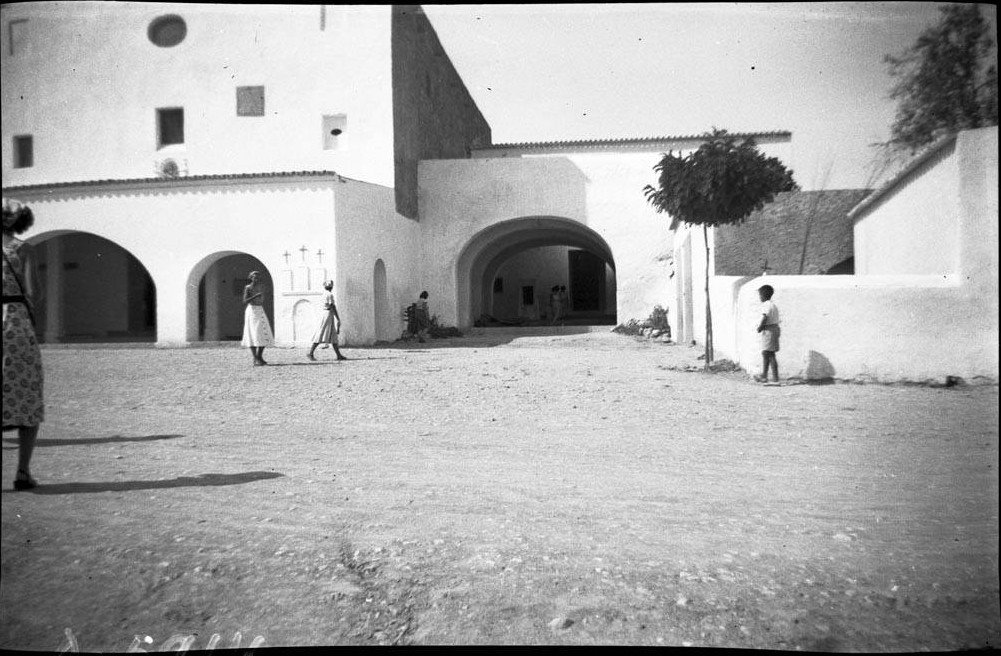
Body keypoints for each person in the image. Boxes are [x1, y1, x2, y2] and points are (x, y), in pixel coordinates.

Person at [2, 198, 44, 491]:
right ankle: (22, 472)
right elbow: (34, 293)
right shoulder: (22, 250)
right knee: (26, 395)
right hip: (15, 325)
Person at [241, 270, 274, 366]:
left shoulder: (261, 287)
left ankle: (259, 356)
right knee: (253, 333)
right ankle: (255, 358)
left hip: (260, 309)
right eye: (254, 277)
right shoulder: (248, 287)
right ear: (251, 278)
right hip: (252, 311)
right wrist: (255, 296)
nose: (256, 279)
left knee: (263, 332)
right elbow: (245, 300)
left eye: (258, 277)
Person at [307, 281, 346, 361]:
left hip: (327, 314)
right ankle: (311, 353)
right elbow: (332, 306)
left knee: (333, 334)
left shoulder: (324, 294)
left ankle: (338, 355)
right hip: (328, 315)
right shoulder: (330, 294)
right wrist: (338, 318)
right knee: (321, 333)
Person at [755, 284, 781, 384]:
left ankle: (775, 379)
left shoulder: (766, 305)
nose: (759, 297)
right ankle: (764, 376)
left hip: (769, 330)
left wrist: (760, 328)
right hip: (773, 329)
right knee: (766, 353)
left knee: (770, 354)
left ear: (764, 295)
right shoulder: (772, 305)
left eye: (760, 295)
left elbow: (765, 317)